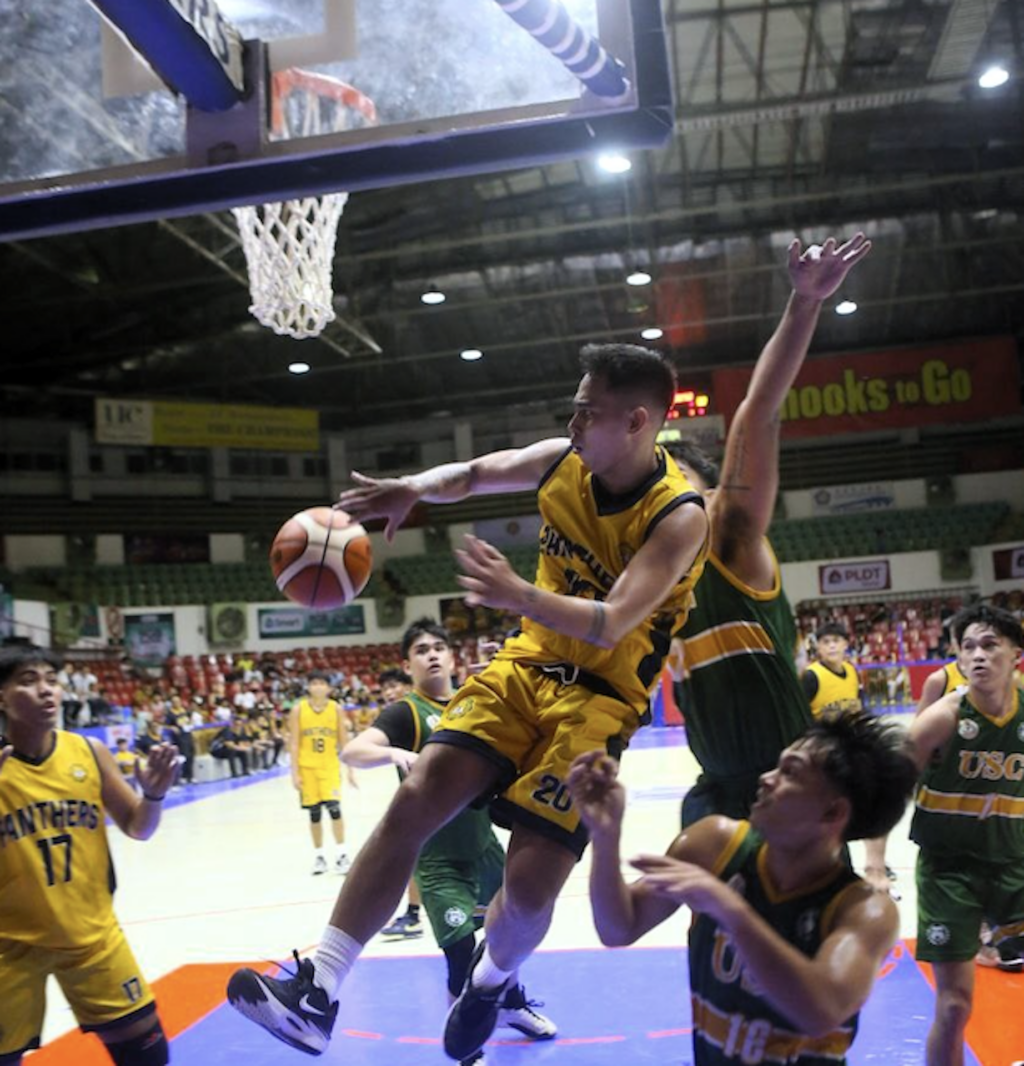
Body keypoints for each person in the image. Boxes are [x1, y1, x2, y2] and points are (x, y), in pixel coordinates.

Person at [227, 341, 710, 1059]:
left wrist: (520, 593)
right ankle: (320, 991)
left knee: (530, 889)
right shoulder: (561, 460)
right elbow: (479, 472)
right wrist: (413, 487)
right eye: (574, 408)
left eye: (589, 411)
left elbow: (613, 618)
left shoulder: (679, 514)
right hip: (524, 669)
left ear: (638, 421)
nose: (574, 422)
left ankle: (489, 983)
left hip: (600, 701)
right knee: (415, 797)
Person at [567, 708, 918, 1066]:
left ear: (832, 814)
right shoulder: (713, 844)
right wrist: (605, 838)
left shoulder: (865, 911)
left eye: (789, 772)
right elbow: (618, 928)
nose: (766, 778)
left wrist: (731, 909)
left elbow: (821, 1012)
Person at [670, 233, 871, 828]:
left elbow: (759, 409)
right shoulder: (650, 579)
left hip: (785, 783)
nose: (658, 497)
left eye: (672, 480)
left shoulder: (727, 533)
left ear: (708, 493)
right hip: (714, 791)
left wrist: (804, 302)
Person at [342, 618, 556, 1065]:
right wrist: (392, 752)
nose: (433, 655)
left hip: (484, 845)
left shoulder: (474, 700)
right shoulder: (406, 712)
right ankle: (468, 1052)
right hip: (438, 859)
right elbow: (353, 751)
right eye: (422, 650)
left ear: (453, 656)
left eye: (439, 647)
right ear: (408, 663)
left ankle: (512, 1007)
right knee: (461, 955)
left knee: (508, 936)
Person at [0, 644, 179, 1065]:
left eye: (51, 679)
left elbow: (139, 827)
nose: (46, 691)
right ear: (2, 697)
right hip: (8, 945)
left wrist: (153, 794)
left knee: (149, 1055)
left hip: (91, 936)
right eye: (28, 681)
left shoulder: (88, 753)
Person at [908, 604, 1024, 1066]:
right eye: (968, 647)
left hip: (1015, 863)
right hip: (948, 869)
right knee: (954, 1005)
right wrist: (874, 865)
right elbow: (891, 779)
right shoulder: (944, 715)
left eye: (990, 645)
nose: (978, 655)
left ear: (1016, 654)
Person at [374, 666, 425, 939]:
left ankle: (415, 915)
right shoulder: (395, 718)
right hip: (417, 798)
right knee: (411, 855)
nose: (389, 692)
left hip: (439, 799)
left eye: (395, 686)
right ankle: (414, 914)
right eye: (385, 689)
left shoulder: (418, 712)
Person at [289, 670, 356, 876]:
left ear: (329, 688)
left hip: (329, 767)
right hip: (307, 768)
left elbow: (344, 741)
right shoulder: (298, 710)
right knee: (314, 813)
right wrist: (294, 773)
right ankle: (319, 856)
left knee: (335, 809)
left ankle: (342, 854)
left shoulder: (336, 709)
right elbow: (293, 742)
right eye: (314, 683)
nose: (318, 687)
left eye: (322, 683)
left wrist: (350, 769)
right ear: (308, 687)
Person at [801, 622, 863, 718]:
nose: (832, 646)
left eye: (836, 641)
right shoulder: (811, 676)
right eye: (826, 642)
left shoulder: (852, 671)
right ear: (818, 647)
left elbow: (858, 707)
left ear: (845, 644)